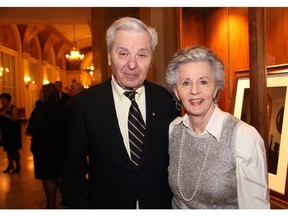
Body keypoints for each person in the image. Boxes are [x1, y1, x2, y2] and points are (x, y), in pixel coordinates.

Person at [61, 17, 179, 209]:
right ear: (109, 56)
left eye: (142, 55)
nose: (132, 64)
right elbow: (72, 173)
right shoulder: (86, 105)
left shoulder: (167, 101)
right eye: (123, 53)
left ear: (151, 59)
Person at [165, 45, 270, 209]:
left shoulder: (244, 137)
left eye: (203, 82)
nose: (194, 91)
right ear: (176, 92)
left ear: (215, 88)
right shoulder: (174, 130)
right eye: (186, 83)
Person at [26, 83, 67, 209]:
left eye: (40, 92)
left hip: (45, 147)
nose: (39, 94)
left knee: (48, 177)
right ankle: (68, 200)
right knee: (59, 174)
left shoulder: (41, 109)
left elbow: (31, 129)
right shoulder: (61, 107)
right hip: (60, 145)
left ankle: (51, 205)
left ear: (45, 94)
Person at [0, 93, 22, 173]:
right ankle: (10, 165)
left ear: (8, 100)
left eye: (3, 99)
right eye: (1, 100)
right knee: (8, 150)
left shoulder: (13, 108)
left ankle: (18, 165)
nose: (2, 101)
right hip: (5, 132)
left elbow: (15, 119)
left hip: (13, 132)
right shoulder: (1, 109)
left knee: (14, 149)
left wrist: (4, 115)